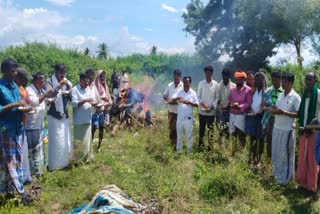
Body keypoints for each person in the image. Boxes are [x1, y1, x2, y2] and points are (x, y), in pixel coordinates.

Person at [0, 58, 32, 204]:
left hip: (18, 128)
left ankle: (6, 191)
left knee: (15, 161)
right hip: (6, 130)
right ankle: (20, 192)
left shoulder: (14, 86)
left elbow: (20, 104)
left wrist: (25, 107)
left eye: (15, 69)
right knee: (11, 162)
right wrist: (13, 104)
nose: (15, 72)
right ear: (4, 70)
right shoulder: (1, 87)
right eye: (12, 70)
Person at [269, 72, 301, 185]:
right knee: (277, 152)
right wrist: (273, 108)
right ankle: (276, 175)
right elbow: (277, 107)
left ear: (291, 83)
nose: (283, 83)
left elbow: (298, 114)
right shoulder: (281, 94)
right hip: (277, 127)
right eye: (282, 81)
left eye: (285, 82)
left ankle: (286, 180)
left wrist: (285, 113)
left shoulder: (295, 97)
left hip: (287, 130)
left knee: (286, 155)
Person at [45, 63, 73, 171]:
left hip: (64, 115)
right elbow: (49, 94)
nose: (63, 75)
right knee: (56, 140)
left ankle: (65, 162)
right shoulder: (49, 81)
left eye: (64, 73)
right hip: (54, 115)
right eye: (61, 73)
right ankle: (54, 165)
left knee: (64, 139)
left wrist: (69, 93)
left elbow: (71, 97)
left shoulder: (67, 82)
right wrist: (59, 85)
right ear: (56, 72)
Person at [296, 72, 320, 192]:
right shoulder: (305, 94)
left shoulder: (319, 94)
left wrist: (314, 124)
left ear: (315, 80)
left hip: (314, 132)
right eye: (306, 79)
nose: (308, 81)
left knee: (312, 160)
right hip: (303, 130)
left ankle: (312, 187)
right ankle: (302, 183)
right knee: (303, 158)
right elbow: (302, 113)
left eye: (310, 79)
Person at [25, 72, 51, 177]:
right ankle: (32, 173)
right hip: (31, 125)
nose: (43, 83)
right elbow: (35, 102)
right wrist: (45, 94)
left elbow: (45, 100)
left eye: (44, 81)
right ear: (35, 81)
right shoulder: (29, 90)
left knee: (39, 149)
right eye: (42, 81)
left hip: (39, 124)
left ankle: (38, 171)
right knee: (32, 150)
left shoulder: (40, 90)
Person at [72, 73, 96, 162]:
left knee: (87, 141)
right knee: (79, 141)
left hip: (87, 118)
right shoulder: (75, 90)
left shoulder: (88, 89)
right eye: (85, 82)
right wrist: (85, 100)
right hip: (79, 120)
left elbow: (92, 99)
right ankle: (78, 160)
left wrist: (94, 103)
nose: (87, 84)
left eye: (88, 82)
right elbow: (74, 104)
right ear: (80, 80)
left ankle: (87, 158)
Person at [172, 76, 199, 153]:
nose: (185, 84)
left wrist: (190, 102)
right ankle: (179, 151)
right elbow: (173, 99)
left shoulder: (193, 93)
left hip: (188, 118)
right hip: (180, 118)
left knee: (189, 136)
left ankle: (189, 153)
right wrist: (177, 98)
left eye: (187, 82)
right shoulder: (179, 92)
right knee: (179, 136)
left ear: (190, 83)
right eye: (184, 82)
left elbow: (197, 104)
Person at [15, 67, 32, 184]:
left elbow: (26, 103)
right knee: (17, 155)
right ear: (19, 78)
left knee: (23, 153)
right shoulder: (15, 89)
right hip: (14, 126)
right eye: (25, 79)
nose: (27, 82)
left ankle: (25, 177)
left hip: (22, 123)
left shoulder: (22, 89)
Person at [245, 72, 267, 164]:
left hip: (261, 118)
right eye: (256, 79)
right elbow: (250, 103)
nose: (257, 81)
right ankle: (252, 157)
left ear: (263, 81)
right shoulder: (253, 91)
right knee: (252, 138)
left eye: (260, 79)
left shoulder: (265, 91)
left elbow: (264, 105)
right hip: (252, 117)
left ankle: (259, 159)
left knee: (260, 139)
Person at [261, 70, 283, 161]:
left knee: (278, 142)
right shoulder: (269, 90)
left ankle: (276, 161)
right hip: (270, 119)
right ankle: (269, 162)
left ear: (280, 79)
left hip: (280, 120)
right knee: (269, 141)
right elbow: (262, 106)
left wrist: (275, 110)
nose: (274, 82)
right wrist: (268, 109)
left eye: (276, 80)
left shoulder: (283, 92)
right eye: (272, 80)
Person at [197, 65, 219, 151]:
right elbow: (198, 96)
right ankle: (200, 148)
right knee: (201, 130)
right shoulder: (201, 83)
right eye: (206, 73)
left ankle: (210, 148)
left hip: (211, 112)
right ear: (204, 73)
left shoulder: (215, 84)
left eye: (209, 73)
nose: (207, 75)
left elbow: (217, 97)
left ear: (212, 73)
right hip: (202, 111)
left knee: (211, 131)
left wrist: (212, 106)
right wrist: (203, 104)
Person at [228, 70, 252, 148]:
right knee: (233, 134)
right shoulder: (232, 89)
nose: (237, 80)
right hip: (232, 114)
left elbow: (248, 103)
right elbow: (229, 100)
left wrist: (239, 106)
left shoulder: (248, 89)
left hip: (241, 115)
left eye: (239, 79)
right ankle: (233, 152)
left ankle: (241, 154)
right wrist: (231, 104)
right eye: (236, 79)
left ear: (243, 79)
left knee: (241, 135)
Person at [92, 70, 112, 152]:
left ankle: (99, 147)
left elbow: (108, 98)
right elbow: (94, 98)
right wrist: (102, 100)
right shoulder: (94, 86)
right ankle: (90, 145)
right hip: (96, 111)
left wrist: (109, 102)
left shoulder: (106, 87)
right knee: (93, 128)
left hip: (104, 111)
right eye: (101, 77)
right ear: (98, 77)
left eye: (104, 77)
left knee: (101, 128)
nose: (103, 78)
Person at [163, 69, 183, 150]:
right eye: (175, 76)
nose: (176, 78)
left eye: (177, 76)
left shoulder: (183, 85)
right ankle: (172, 145)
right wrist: (167, 98)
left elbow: (183, 98)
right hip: (171, 111)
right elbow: (164, 94)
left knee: (178, 130)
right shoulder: (170, 85)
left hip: (179, 112)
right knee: (171, 129)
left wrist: (174, 101)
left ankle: (177, 147)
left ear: (180, 77)